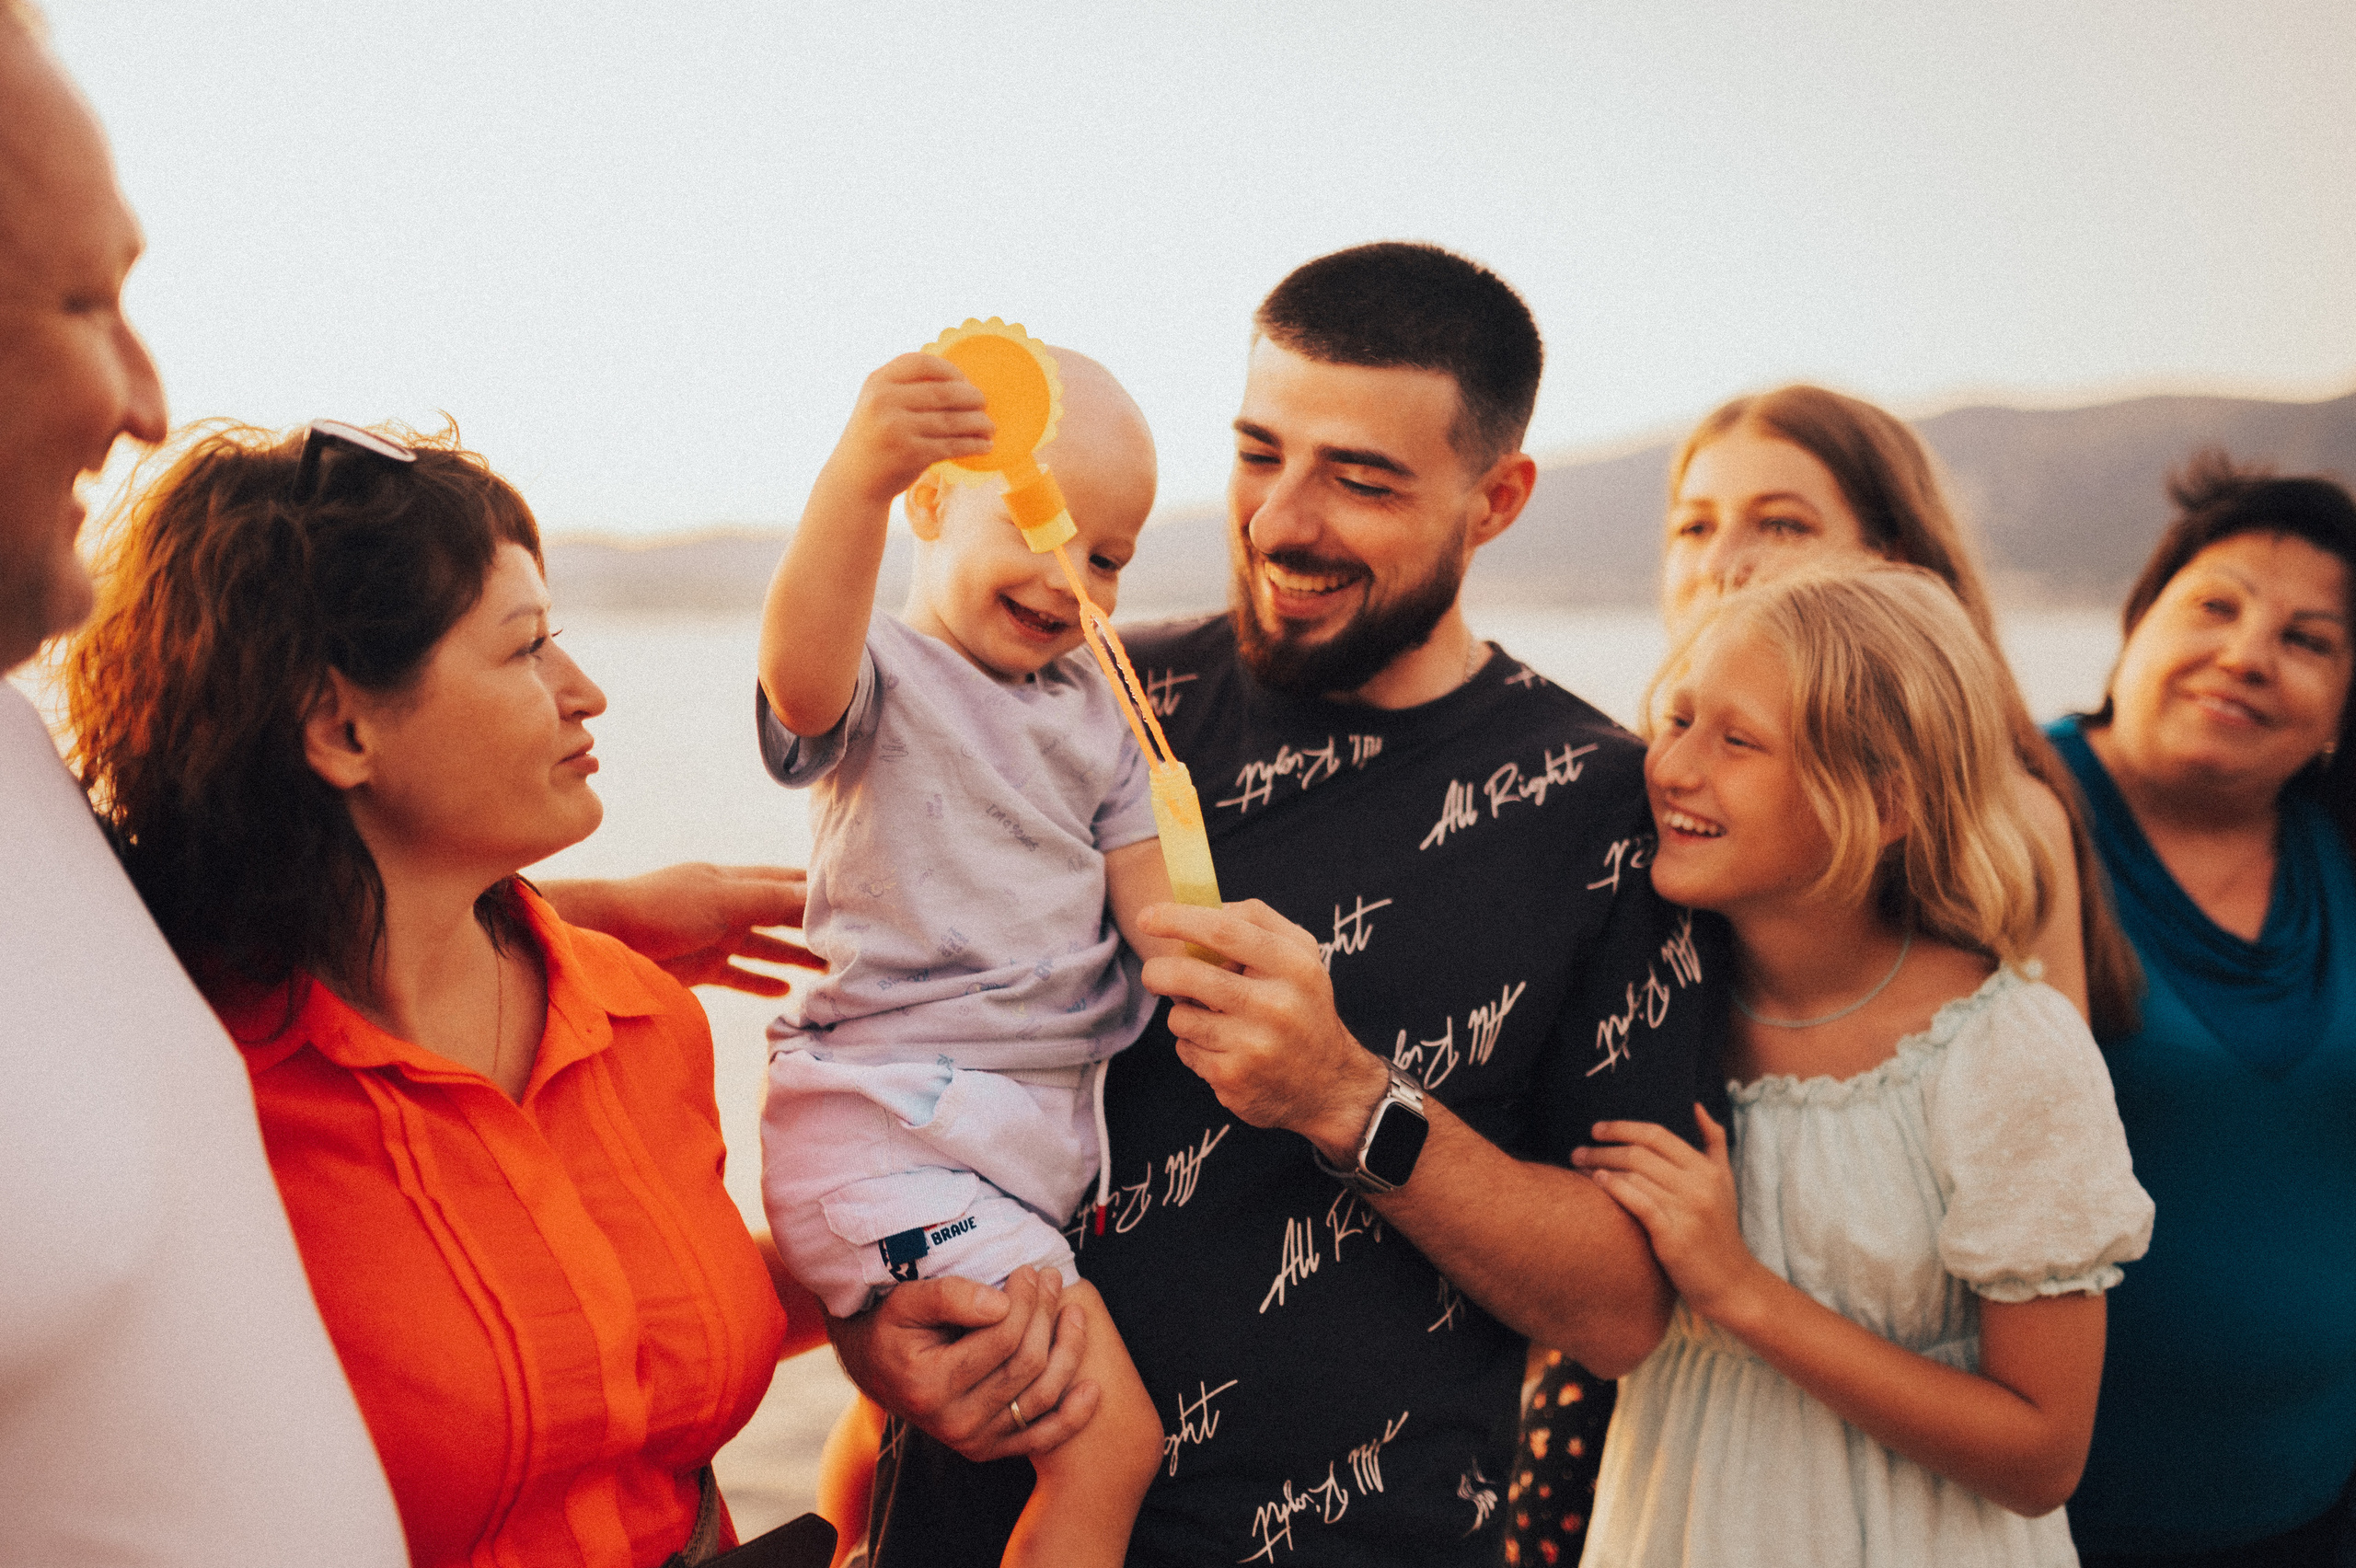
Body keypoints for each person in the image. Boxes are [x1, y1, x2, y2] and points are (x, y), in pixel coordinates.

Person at [832, 242, 1728, 1567]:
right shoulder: (1074, 692)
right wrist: (869, 1332)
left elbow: (1622, 1311)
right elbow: (877, 1051)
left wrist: (1349, 1100)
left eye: (1361, 479)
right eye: (1261, 453)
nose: (1281, 520)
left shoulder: (1604, 813)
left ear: (1499, 499)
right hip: (973, 1521)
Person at [58, 419, 813, 1568]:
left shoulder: (640, 1012)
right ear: (341, 729)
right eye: (524, 652)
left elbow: (624, 1344)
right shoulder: (193, 1093)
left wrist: (892, 1288)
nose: (588, 691)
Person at [1507, 383, 2144, 1564]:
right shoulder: (1651, 994)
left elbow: (2043, 1454)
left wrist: (1739, 1290)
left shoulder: (2002, 1051)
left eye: (1734, 740)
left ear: (1883, 800)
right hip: (1669, 1524)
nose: (1669, 767)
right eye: (1674, 719)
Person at [756, 346, 1169, 1565]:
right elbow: (799, 670)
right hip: (888, 1131)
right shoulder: (887, 673)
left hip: (997, 1153)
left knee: (1033, 1440)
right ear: (932, 507)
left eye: (1106, 557)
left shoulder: (1101, 707)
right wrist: (860, 479)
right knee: (1112, 1443)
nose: (1068, 578)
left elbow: (1158, 910)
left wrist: (1227, 964)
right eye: (1039, 526)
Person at [2050, 455, 2356, 1567]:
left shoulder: (2339, 847)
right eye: (2214, 607)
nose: (2245, 655)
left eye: (2307, 639)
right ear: (2134, 627)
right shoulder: (2002, 807)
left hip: (2312, 1507)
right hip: (2036, 1515)